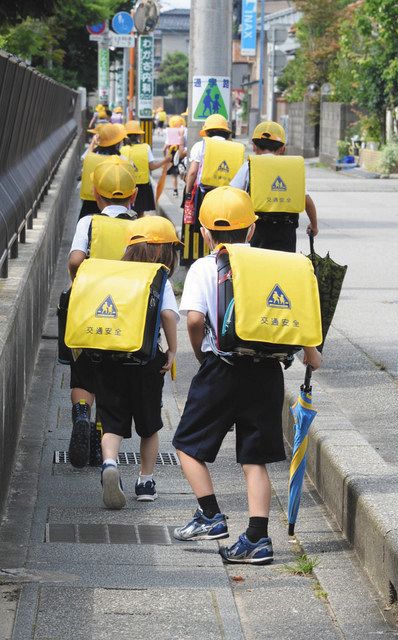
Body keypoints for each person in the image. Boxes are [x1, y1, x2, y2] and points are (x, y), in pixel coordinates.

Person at [172, 186, 322, 564]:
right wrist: (309, 351)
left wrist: (200, 352)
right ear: (252, 230)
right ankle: (257, 539)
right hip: (268, 371)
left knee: (187, 443)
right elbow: (298, 314)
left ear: (204, 232)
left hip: (221, 368)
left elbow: (194, 319)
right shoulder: (277, 262)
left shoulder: (205, 267)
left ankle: (210, 515)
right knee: (253, 458)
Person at [95, 216, 180, 508]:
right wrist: (172, 349)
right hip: (146, 361)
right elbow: (168, 315)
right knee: (149, 425)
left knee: (112, 422)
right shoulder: (159, 278)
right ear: (159, 251)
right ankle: (145, 480)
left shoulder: (112, 272)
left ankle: (109, 463)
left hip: (110, 358)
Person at [68, 157, 138, 468]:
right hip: (125, 311)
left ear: (96, 196)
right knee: (113, 373)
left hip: (90, 306)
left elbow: (75, 259)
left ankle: (82, 412)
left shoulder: (88, 223)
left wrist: (81, 282)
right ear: (133, 196)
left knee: (84, 368)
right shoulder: (139, 227)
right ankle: (100, 433)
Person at [230, 121, 318, 253]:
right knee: (283, 268)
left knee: (257, 266)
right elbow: (306, 200)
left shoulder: (249, 166)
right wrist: (314, 225)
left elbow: (233, 194)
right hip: (286, 231)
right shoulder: (291, 168)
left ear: (254, 146)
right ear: (283, 148)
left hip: (257, 229)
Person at [181, 114, 244, 266]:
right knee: (224, 229)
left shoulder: (201, 145)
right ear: (225, 132)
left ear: (207, 131)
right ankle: (222, 259)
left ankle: (202, 260)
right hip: (228, 195)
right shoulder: (235, 147)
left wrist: (188, 192)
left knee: (203, 226)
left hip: (205, 194)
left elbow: (192, 172)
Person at [120, 120, 171, 216]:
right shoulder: (146, 147)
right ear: (139, 135)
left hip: (127, 185)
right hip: (143, 186)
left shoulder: (122, 150)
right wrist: (165, 160)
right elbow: (152, 167)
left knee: (126, 212)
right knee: (140, 213)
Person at [79, 123, 127, 219]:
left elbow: (84, 158)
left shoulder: (90, 157)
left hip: (89, 202)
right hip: (112, 203)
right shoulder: (122, 159)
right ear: (117, 142)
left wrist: (93, 143)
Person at [164, 115, 186, 197]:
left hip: (172, 153)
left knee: (174, 175)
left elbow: (165, 147)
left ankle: (175, 191)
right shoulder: (184, 131)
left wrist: (165, 157)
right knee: (183, 172)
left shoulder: (169, 132)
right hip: (182, 153)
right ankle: (186, 188)